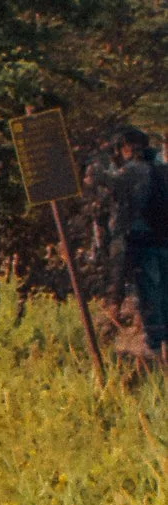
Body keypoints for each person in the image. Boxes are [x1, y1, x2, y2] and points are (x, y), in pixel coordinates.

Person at [106, 127, 168, 356]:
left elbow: (118, 222)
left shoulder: (130, 172)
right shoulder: (161, 169)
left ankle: (160, 356)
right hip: (163, 243)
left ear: (126, 148)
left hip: (145, 245)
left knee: (152, 304)